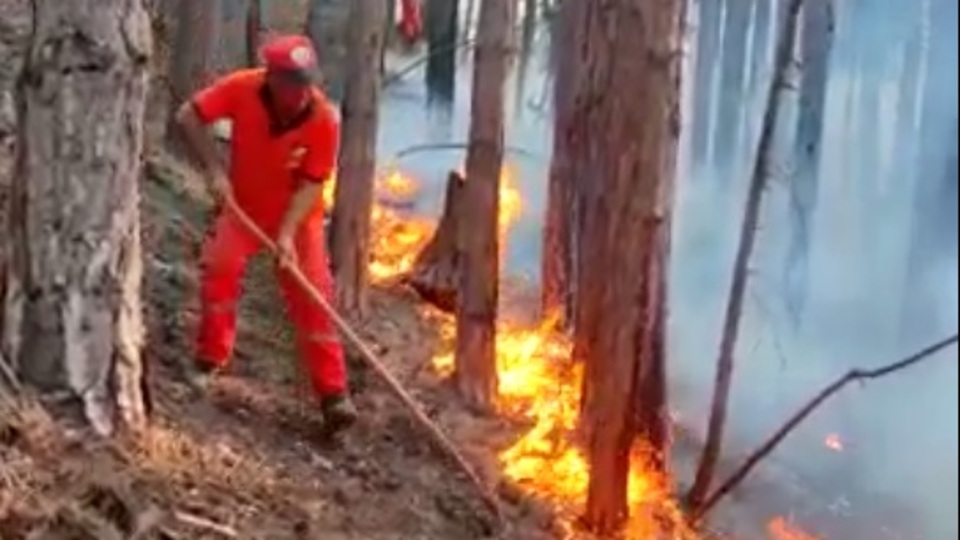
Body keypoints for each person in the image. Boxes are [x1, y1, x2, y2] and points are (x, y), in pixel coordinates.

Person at [175, 35, 357, 433]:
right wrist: (214, 170)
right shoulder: (242, 88)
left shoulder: (323, 119)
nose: (301, 92)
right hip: (244, 210)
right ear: (272, 77)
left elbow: (313, 184)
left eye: (306, 82)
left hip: (299, 220)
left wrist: (288, 234)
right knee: (220, 268)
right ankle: (210, 358)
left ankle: (333, 395)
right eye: (292, 82)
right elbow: (188, 115)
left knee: (314, 295)